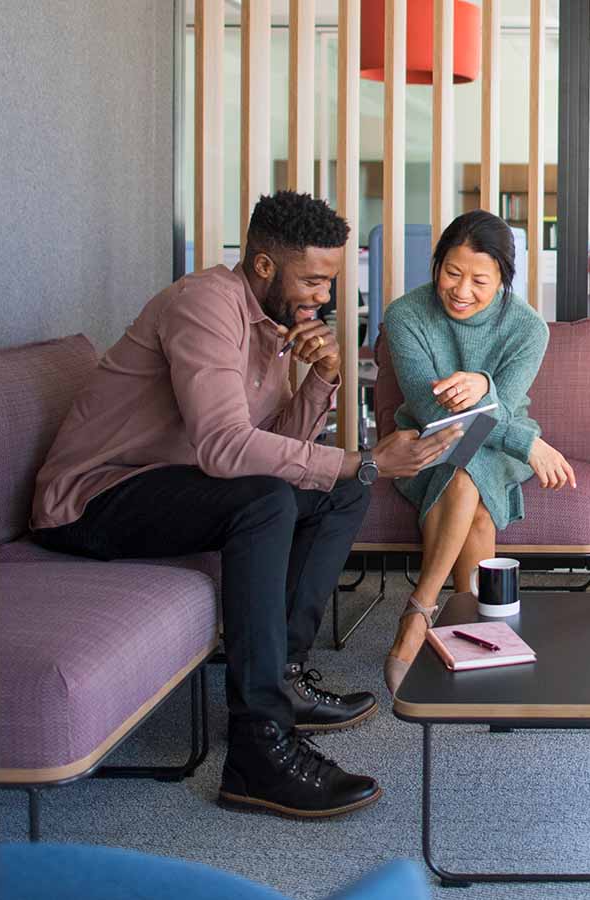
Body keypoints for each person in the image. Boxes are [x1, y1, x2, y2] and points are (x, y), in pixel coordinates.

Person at [30, 190, 460, 819]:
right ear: (263, 265)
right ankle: (258, 750)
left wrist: (322, 382)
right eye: (313, 279)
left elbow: (278, 453)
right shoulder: (204, 306)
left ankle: (284, 672)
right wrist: (362, 457)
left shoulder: (270, 326)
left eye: (331, 280)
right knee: (276, 497)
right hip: (93, 497)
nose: (324, 296)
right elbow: (226, 449)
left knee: (338, 491)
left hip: (176, 485)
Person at [380, 210, 576, 693]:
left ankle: (420, 613)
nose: (462, 290)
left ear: (503, 281)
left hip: (498, 439)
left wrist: (484, 388)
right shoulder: (406, 315)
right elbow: (431, 411)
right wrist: (528, 444)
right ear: (437, 265)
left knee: (471, 468)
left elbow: (503, 409)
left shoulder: (528, 328)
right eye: (452, 273)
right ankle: (475, 638)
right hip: (429, 439)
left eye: (479, 280)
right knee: (473, 492)